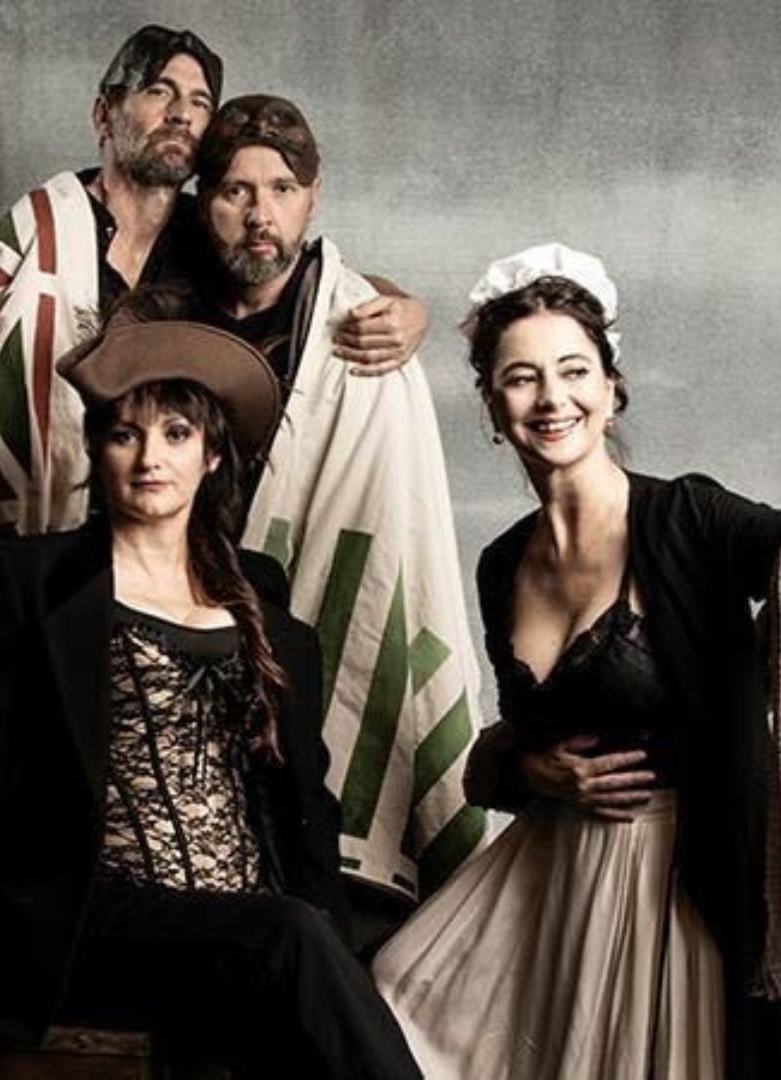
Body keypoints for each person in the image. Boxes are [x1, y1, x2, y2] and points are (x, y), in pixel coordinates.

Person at [371, 243, 781, 1080]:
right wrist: (537, 769)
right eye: (522, 378)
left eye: (574, 371)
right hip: (559, 890)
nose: (552, 398)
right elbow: (518, 736)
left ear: (611, 388)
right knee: (388, 1001)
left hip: (687, 889)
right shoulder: (501, 563)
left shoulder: (689, 517)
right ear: (491, 403)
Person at [0, 316, 421, 1079]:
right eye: (124, 436)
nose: (150, 459)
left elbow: (304, 801)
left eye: (176, 434)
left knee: (294, 964)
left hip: (248, 927)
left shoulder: (258, 596)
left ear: (212, 455)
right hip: (98, 918)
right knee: (288, 939)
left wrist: (341, 963)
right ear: (97, 450)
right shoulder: (36, 581)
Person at [0, 25, 427, 549]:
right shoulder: (37, 235)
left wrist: (406, 308)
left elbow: (309, 279)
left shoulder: (210, 232)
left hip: (167, 535)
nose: (180, 114)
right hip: (41, 529)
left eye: (199, 102)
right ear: (103, 114)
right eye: (158, 91)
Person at [188, 94, 487, 927]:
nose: (261, 215)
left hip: (317, 616)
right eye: (236, 191)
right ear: (204, 201)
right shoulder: (169, 314)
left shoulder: (363, 336)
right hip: (189, 624)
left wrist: (411, 308)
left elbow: (402, 534)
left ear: (313, 198)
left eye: (282, 190)